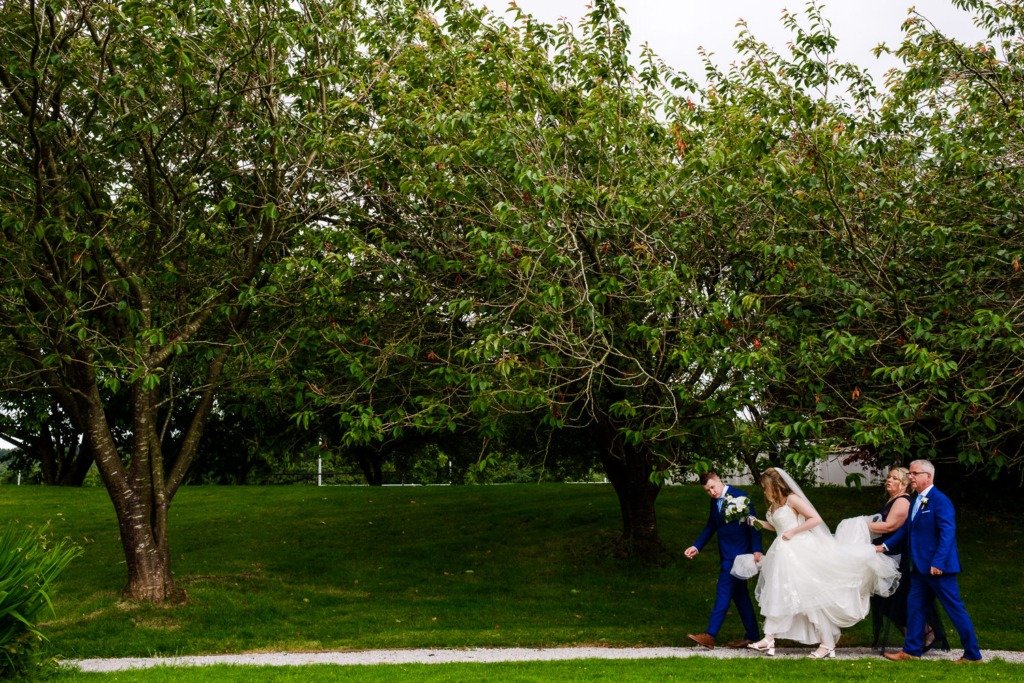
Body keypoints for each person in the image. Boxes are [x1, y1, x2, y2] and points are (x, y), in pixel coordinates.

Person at [746, 468, 900, 659]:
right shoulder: (774, 504)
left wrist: (794, 532)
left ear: (775, 485)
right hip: (783, 552)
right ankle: (769, 638)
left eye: (766, 486)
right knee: (781, 592)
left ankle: (826, 643)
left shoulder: (792, 499)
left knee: (810, 597)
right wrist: (757, 522)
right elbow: (778, 526)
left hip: (799, 550)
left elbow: (815, 519)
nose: (764, 490)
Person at [878, 459, 983, 663]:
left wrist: (939, 562)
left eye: (914, 474)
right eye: (910, 474)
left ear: (928, 476)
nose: (911, 478)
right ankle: (911, 651)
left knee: (954, 609)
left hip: (938, 569)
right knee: (914, 607)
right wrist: (884, 547)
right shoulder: (917, 500)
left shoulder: (939, 500)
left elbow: (947, 533)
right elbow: (907, 530)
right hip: (919, 569)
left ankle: (972, 654)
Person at [867, 467, 948, 651]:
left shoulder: (903, 501)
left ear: (904, 484)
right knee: (885, 598)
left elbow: (891, 526)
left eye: (894, 478)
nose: (888, 480)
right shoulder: (893, 500)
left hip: (896, 556)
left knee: (896, 597)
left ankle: (925, 632)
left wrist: (860, 524)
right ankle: (912, 635)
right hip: (885, 553)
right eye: (888, 477)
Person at [683, 471, 764, 650]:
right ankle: (752, 636)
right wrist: (696, 546)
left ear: (719, 480)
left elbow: (754, 523)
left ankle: (710, 635)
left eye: (712, 487)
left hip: (739, 555)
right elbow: (711, 525)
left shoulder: (740, 496)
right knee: (740, 596)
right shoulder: (714, 502)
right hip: (726, 554)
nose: (711, 492)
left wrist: (757, 548)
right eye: (707, 490)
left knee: (723, 590)